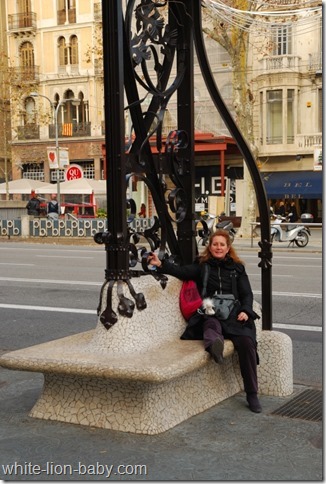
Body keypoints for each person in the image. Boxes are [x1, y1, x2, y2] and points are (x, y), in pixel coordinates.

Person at [148, 229, 262, 413]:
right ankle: (214, 346)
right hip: (210, 308)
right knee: (210, 322)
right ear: (210, 246)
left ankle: (252, 394)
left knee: (247, 343)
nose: (218, 247)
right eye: (215, 244)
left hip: (233, 312)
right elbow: (181, 272)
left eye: (222, 244)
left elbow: (246, 293)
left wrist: (246, 311)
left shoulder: (237, 268)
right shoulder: (202, 265)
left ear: (228, 248)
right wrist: (161, 264)